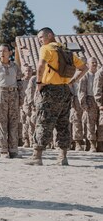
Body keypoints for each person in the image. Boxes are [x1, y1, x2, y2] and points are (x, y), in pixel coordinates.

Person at [26, 28, 87, 166]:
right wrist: (73, 81)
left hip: (50, 90)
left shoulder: (46, 48)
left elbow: (40, 65)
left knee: (43, 121)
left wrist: (39, 83)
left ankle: (37, 156)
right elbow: (84, 68)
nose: (40, 40)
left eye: (41, 37)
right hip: (65, 91)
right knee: (63, 123)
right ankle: (63, 157)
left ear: (50, 35)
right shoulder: (66, 51)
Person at [0, 45, 24, 158]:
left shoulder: (15, 66)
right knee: (1, 123)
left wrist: (21, 97)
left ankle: (13, 150)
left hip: (13, 95)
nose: (2, 53)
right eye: (0, 51)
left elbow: (20, 82)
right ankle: (3, 150)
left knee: (13, 122)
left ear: (10, 52)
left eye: (4, 51)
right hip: (1, 94)